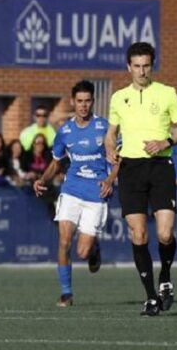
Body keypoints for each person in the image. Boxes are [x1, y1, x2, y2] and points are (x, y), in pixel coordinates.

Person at [105, 41, 177, 316]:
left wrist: (164, 140)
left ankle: (165, 277)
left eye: (146, 66)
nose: (141, 71)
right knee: (138, 233)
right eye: (137, 66)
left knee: (165, 233)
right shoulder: (118, 97)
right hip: (130, 169)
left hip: (160, 165)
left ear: (152, 66)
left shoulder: (166, 93)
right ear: (129, 67)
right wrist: (109, 146)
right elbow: (111, 132)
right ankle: (151, 297)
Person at [33, 81, 118, 307]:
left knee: (82, 252)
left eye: (87, 101)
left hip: (96, 194)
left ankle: (94, 249)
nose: (83, 105)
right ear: (73, 102)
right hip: (71, 190)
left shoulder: (104, 127)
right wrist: (42, 179)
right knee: (63, 242)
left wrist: (110, 179)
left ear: (93, 101)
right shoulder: (65, 132)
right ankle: (66, 293)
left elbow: (120, 157)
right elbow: (56, 163)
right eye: (79, 101)